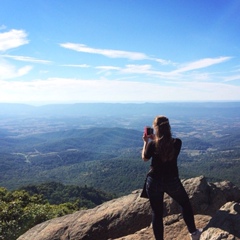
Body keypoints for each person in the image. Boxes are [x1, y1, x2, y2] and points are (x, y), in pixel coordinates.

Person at [141, 115, 202, 240]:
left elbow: (145, 158)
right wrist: (155, 140)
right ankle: (194, 234)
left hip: (154, 182)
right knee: (185, 204)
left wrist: (146, 142)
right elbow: (165, 148)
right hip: (171, 181)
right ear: (168, 127)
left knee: (157, 214)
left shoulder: (152, 145)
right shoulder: (177, 143)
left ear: (156, 128)